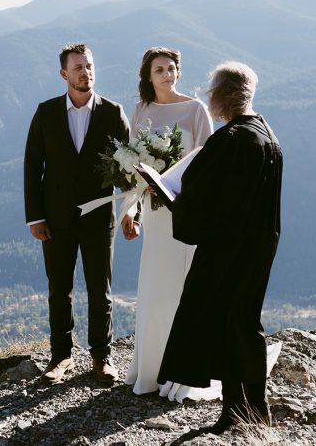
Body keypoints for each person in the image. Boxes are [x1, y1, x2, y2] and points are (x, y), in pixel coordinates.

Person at [157, 61, 283, 433]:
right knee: (244, 324)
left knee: (227, 324)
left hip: (228, 250)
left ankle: (236, 411)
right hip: (258, 246)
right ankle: (252, 408)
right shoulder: (265, 134)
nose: (209, 98)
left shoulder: (230, 140)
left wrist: (169, 196)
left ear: (225, 95)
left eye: (213, 91)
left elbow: (201, 195)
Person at [23, 43, 130, 386]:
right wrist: (35, 217)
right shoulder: (46, 112)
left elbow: (130, 168)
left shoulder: (113, 112)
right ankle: (61, 357)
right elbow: (32, 166)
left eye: (90, 65)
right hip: (56, 219)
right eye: (79, 67)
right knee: (59, 290)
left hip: (100, 218)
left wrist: (133, 211)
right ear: (64, 74)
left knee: (102, 290)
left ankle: (102, 357)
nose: (86, 71)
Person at [119, 47, 216, 401]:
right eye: (160, 69)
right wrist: (131, 212)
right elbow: (133, 170)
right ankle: (150, 369)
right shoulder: (141, 110)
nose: (167, 74)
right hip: (154, 213)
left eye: (172, 68)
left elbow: (209, 161)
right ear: (148, 75)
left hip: (184, 211)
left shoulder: (195, 109)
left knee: (182, 288)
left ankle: (183, 371)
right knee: (156, 288)